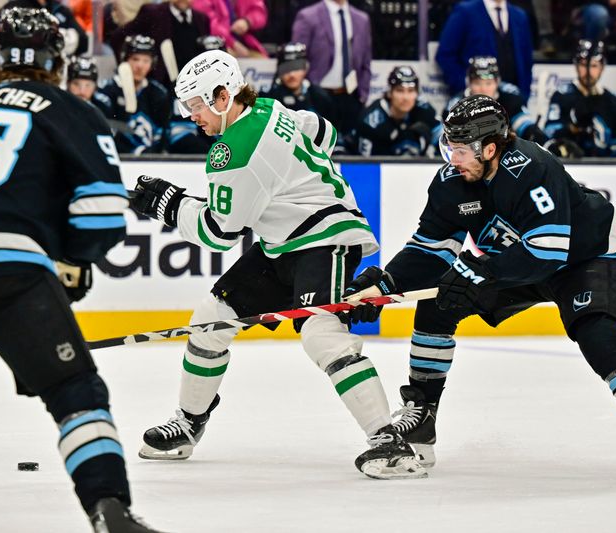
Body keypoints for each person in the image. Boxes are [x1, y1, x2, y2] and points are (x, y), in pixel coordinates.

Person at [343, 93, 616, 486]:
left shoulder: (533, 167)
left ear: (491, 147)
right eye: (449, 147)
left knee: (597, 332)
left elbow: (548, 252)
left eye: (462, 150)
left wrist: (478, 270)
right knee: (439, 303)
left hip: (585, 257)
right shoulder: (453, 181)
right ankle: (422, 418)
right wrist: (385, 283)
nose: (453, 158)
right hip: (515, 260)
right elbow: (428, 249)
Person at [128, 49, 426, 480]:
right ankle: (189, 422)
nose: (192, 117)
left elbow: (219, 232)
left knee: (322, 334)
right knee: (211, 320)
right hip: (282, 243)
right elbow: (324, 131)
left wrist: (168, 205)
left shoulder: (233, 151)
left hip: (326, 240)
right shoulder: (268, 107)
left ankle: (388, 441)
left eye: (196, 106)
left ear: (222, 95)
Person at [0, 8, 163, 531]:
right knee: (75, 390)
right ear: (58, 59)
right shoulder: (72, 110)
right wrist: (72, 258)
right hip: (4, 268)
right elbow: (100, 221)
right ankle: (108, 509)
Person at [292, 0, 372, 136]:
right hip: (317, 96)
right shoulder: (308, 16)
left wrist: (362, 95)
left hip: (351, 97)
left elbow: (366, 61)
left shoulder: (362, 19)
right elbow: (296, 59)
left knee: (348, 149)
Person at [544, 40, 616, 157]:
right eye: (583, 64)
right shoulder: (562, 96)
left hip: (603, 170)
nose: (588, 71)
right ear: (576, 66)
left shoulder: (615, 104)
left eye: (593, 65)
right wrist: (572, 127)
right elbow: (549, 135)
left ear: (602, 67)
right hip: (568, 166)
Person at [436, 0, 534, 100]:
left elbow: (527, 60)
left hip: (512, 103)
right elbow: (445, 55)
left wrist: (523, 95)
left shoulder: (520, 16)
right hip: (474, 102)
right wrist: (466, 86)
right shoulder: (465, 12)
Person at [442, 56, 547, 145]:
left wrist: (534, 134)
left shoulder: (510, 98)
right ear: (468, 83)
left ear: (497, 82)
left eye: (488, 83)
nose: (483, 89)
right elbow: (442, 136)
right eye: (477, 83)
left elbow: (523, 124)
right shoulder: (456, 105)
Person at [96, 34, 171, 154]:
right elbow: (104, 129)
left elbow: (163, 131)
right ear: (124, 60)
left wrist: (155, 152)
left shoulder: (158, 93)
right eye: (135, 59)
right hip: (117, 157)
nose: (140, 66)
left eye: (146, 60)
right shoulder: (107, 90)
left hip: (152, 160)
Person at [111, 0, 210, 86]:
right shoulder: (153, 13)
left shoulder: (202, 19)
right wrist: (126, 67)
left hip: (192, 84)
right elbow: (118, 37)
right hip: (162, 85)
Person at [351, 65, 437, 157]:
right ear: (389, 92)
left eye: (411, 91)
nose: (406, 97)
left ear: (417, 93)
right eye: (400, 90)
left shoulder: (424, 109)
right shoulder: (371, 122)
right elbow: (363, 164)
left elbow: (444, 138)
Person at [166, 35, 227, 153]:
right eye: (208, 61)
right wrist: (213, 153)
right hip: (203, 157)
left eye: (218, 60)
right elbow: (182, 137)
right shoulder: (183, 89)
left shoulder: (235, 87)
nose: (214, 67)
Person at [262, 41, 337, 126]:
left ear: (305, 68)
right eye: (286, 69)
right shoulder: (268, 99)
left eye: (296, 68)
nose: (291, 74)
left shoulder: (321, 97)